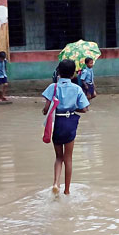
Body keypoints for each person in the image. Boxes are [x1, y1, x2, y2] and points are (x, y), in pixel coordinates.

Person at [42, 59, 90, 195]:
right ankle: (67, 191)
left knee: (58, 157)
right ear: (73, 74)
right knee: (68, 158)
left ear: (59, 72)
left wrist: (44, 111)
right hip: (69, 123)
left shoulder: (53, 87)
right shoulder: (77, 89)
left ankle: (56, 182)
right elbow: (85, 109)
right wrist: (73, 109)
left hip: (56, 124)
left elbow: (46, 109)